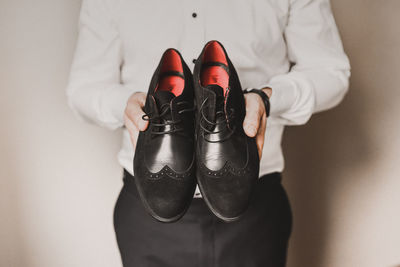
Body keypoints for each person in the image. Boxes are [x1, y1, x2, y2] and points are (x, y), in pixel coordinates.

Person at [66, 0, 350, 266]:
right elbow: (83, 88)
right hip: (145, 211)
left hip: (255, 206)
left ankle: (221, 106)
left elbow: (330, 72)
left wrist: (266, 99)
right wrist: (128, 106)